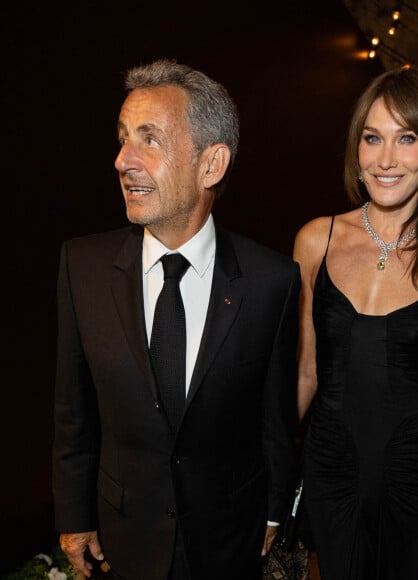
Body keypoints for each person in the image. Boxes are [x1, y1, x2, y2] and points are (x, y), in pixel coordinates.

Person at [52, 59, 300, 580]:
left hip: (230, 535)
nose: (123, 160)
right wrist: (74, 517)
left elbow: (273, 416)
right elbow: (73, 411)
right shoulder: (83, 267)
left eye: (149, 140)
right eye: (122, 139)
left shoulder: (271, 281)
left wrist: (276, 509)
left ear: (211, 165)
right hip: (123, 534)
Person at [293, 66, 418, 579]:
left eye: (407, 138)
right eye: (372, 137)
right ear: (357, 149)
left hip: (416, 464)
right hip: (331, 460)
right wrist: (269, 466)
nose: (385, 159)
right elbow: (307, 370)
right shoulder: (316, 240)